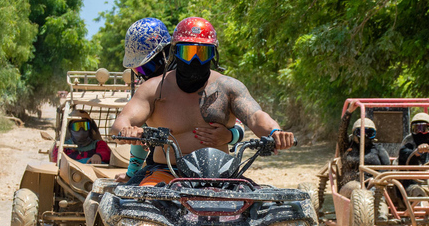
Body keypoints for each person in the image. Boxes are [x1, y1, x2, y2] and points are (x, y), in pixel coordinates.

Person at [111, 16, 294, 186]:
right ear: (175, 52)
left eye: (203, 52)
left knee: (259, 210)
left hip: (222, 175)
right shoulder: (153, 89)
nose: (195, 60)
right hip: (165, 174)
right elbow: (120, 123)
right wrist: (128, 130)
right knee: (135, 208)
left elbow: (255, 116)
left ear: (214, 54)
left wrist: (275, 132)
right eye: (187, 52)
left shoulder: (229, 86)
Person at [116, 17, 245, 184]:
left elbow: (237, 120)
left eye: (149, 67)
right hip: (165, 167)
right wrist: (132, 172)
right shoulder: (150, 89)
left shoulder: (196, 76)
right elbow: (135, 128)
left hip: (213, 166)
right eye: (139, 69)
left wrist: (229, 135)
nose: (145, 74)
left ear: (168, 54)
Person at [338, 117, 390, 196]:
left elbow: (387, 169)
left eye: (369, 133)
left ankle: (377, 204)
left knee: (376, 191)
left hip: (373, 184)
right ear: (354, 134)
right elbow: (341, 132)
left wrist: (375, 180)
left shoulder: (378, 149)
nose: (365, 136)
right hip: (350, 185)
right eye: (360, 132)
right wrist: (349, 112)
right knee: (359, 189)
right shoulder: (347, 146)